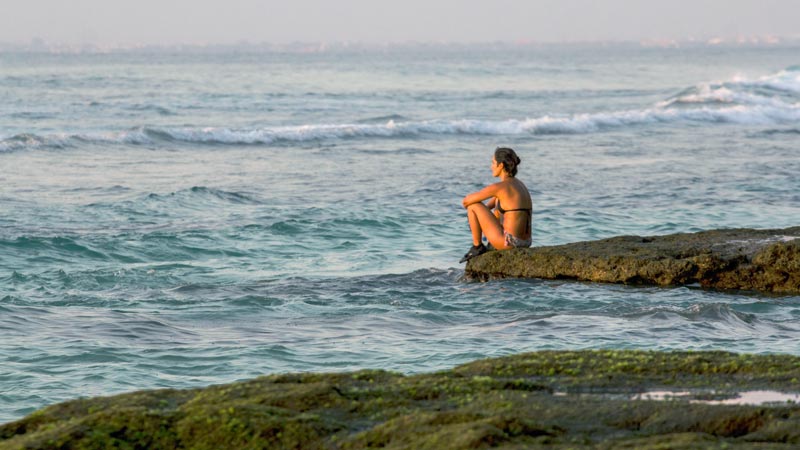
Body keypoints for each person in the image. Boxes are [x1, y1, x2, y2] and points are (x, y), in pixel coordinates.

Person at [460, 147, 532, 263]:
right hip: (526, 241)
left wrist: (474, 216)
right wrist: (479, 220)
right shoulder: (519, 185)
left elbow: (466, 201)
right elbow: (487, 210)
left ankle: (477, 246)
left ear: (501, 165)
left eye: (493, 163)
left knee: (473, 206)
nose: (491, 166)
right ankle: (489, 244)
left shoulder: (500, 188)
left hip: (510, 243)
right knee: (496, 210)